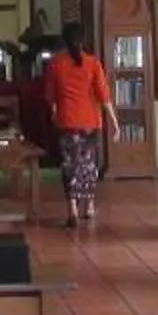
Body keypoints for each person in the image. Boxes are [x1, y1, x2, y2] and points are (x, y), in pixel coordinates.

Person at [42, 21, 119, 230]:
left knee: (70, 165)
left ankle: (72, 210)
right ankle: (89, 206)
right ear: (82, 40)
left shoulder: (56, 64)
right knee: (88, 165)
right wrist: (114, 123)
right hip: (90, 122)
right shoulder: (93, 63)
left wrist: (54, 113)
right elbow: (104, 96)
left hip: (67, 122)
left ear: (64, 41)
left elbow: (50, 97)